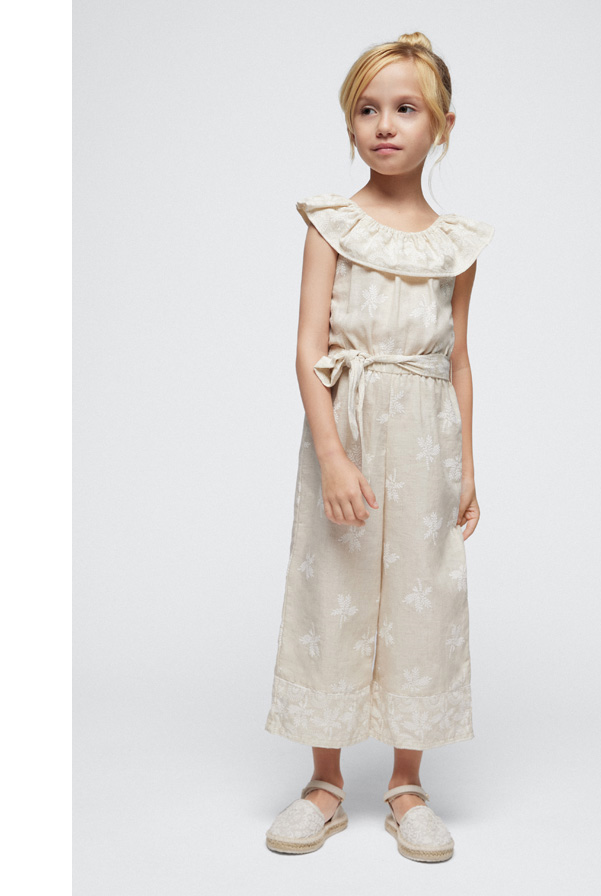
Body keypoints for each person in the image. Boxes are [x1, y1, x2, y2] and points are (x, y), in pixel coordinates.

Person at [263, 31, 494, 863]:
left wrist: (468, 468)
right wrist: (331, 454)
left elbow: (458, 358)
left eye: (405, 109)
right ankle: (325, 784)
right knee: (334, 588)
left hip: (428, 441)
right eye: (367, 110)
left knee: (421, 600)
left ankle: (406, 785)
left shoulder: (456, 247)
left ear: (443, 125)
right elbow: (306, 348)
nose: (385, 125)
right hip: (350, 431)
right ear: (349, 123)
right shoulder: (331, 226)